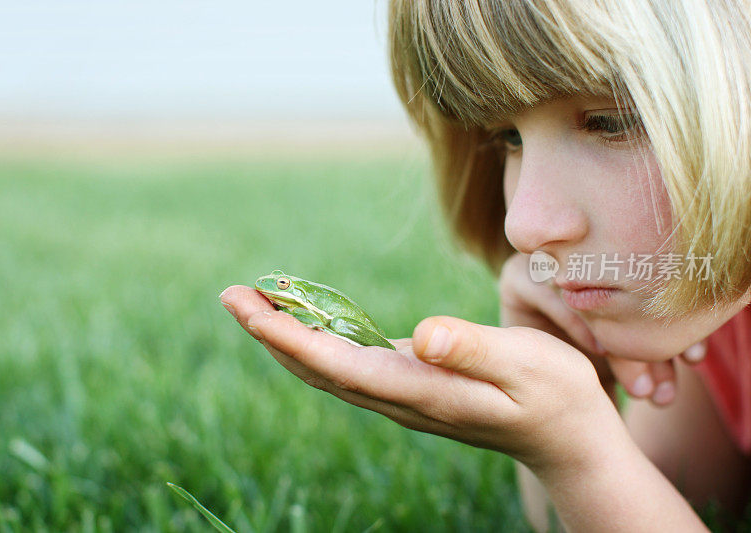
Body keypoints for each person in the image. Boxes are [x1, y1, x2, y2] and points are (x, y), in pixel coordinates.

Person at [220, 0, 751, 529]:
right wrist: (563, 418)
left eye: (609, 121)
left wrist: (580, 457)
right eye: (509, 138)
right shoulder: (718, 328)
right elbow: (670, 498)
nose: (522, 226)